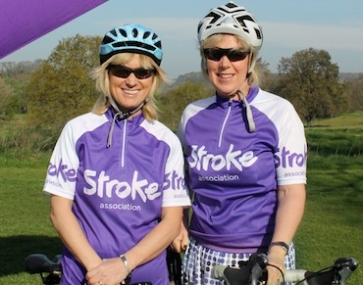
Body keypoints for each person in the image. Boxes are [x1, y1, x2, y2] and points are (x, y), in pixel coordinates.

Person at [43, 23, 191, 285]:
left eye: (143, 72)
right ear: (106, 74)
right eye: (121, 70)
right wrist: (97, 269)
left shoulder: (166, 140)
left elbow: (171, 221)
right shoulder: (77, 130)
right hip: (85, 274)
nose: (132, 80)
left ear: (154, 78)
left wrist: (123, 265)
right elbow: (59, 211)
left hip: (145, 276)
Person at [173, 2, 307, 285]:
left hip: (263, 257)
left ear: (251, 59)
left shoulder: (280, 112)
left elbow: (291, 192)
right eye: (214, 53)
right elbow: (179, 183)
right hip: (201, 254)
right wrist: (179, 222)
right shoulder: (192, 115)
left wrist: (278, 253)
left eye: (236, 54)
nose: (224, 63)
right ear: (204, 58)